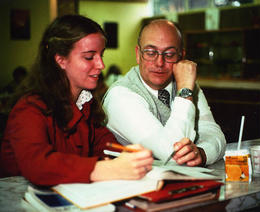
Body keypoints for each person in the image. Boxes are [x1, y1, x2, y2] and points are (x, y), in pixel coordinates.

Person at [0, 15, 153, 186]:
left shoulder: (85, 103)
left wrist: (129, 154)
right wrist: (105, 169)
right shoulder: (29, 107)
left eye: (101, 55)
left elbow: (106, 145)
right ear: (61, 60)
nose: (101, 65)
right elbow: (37, 165)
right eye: (89, 57)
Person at [103, 19, 226, 167]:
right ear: (138, 54)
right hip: (132, 186)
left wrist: (202, 153)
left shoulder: (185, 83)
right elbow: (172, 155)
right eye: (150, 52)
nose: (159, 63)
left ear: (181, 57)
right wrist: (185, 91)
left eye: (169, 54)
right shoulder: (120, 96)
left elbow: (213, 132)